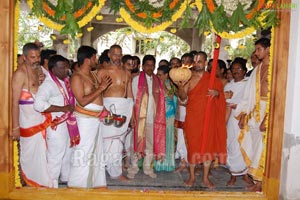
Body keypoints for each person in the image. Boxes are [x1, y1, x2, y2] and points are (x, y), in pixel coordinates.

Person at [174, 51, 227, 188]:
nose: (197, 64)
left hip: (209, 119)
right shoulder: (188, 78)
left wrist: (217, 94)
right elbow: (183, 99)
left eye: (200, 61)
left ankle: (205, 178)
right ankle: (191, 177)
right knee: (192, 147)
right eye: (195, 61)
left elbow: (221, 96)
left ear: (205, 63)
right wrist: (180, 88)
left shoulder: (213, 80)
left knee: (208, 149)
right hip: (193, 119)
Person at [69, 46, 112, 188]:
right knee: (83, 152)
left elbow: (97, 96)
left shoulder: (93, 75)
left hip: (96, 119)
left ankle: (95, 183)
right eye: (95, 57)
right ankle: (78, 185)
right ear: (88, 59)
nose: (96, 60)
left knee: (96, 152)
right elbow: (82, 100)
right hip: (85, 121)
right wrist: (101, 88)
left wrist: (104, 109)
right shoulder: (77, 77)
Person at [12, 42, 52, 187]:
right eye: (32, 57)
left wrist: (42, 84)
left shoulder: (40, 70)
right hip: (27, 121)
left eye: (38, 56)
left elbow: (42, 94)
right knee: (29, 155)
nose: (36, 59)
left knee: (43, 154)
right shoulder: (20, 74)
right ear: (24, 57)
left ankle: (43, 184)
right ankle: (32, 183)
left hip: (41, 118)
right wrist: (15, 127)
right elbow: (13, 102)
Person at [34, 55, 77, 188]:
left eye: (66, 66)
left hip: (68, 123)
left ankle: (66, 179)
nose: (66, 70)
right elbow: (38, 104)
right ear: (53, 69)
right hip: (56, 125)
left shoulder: (66, 81)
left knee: (67, 153)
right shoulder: (49, 84)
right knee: (55, 157)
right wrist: (62, 108)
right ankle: (52, 186)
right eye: (62, 67)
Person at [236, 38, 271, 192]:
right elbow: (248, 95)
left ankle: (262, 181)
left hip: (268, 109)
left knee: (264, 147)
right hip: (255, 110)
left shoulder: (275, 67)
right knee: (255, 145)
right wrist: (243, 115)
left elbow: (276, 96)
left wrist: (267, 118)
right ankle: (257, 180)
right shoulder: (258, 69)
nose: (256, 53)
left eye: (259, 49)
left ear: (268, 49)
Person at [97, 44, 134, 181]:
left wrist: (133, 114)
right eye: (114, 54)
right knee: (107, 142)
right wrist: (102, 109)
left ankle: (116, 172)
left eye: (119, 54)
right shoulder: (101, 72)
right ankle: (106, 170)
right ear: (108, 55)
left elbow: (129, 94)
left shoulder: (126, 72)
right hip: (107, 109)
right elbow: (98, 93)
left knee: (119, 142)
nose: (117, 57)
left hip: (124, 108)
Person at [128, 55, 166, 179]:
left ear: (154, 66)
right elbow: (132, 99)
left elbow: (161, 101)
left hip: (153, 119)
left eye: (152, 65)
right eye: (147, 65)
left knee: (150, 144)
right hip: (139, 118)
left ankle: (147, 167)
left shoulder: (158, 81)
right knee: (136, 143)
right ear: (143, 66)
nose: (150, 67)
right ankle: (133, 167)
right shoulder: (136, 80)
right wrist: (132, 117)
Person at [224, 58, 252, 186]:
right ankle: (233, 175)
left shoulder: (248, 85)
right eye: (233, 69)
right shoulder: (228, 85)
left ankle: (245, 173)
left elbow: (250, 102)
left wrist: (238, 107)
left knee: (243, 145)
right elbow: (224, 103)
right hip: (230, 119)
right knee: (231, 145)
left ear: (245, 71)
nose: (235, 71)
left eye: (238, 69)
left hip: (242, 119)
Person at [155, 65, 177, 172]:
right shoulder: (155, 85)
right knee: (159, 139)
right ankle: (158, 163)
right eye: (157, 74)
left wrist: (165, 89)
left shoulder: (172, 86)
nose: (157, 76)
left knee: (168, 139)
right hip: (158, 116)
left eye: (160, 75)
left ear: (166, 75)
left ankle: (168, 163)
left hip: (169, 116)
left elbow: (174, 100)